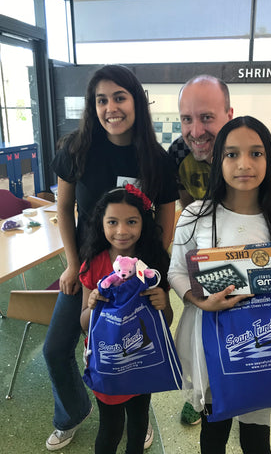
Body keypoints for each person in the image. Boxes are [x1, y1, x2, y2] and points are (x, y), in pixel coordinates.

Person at [43, 64, 178, 451]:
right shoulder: (75, 149)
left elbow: (165, 222)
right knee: (55, 349)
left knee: (135, 347)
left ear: (136, 102)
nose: (111, 108)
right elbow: (64, 207)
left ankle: (139, 417)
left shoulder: (155, 158)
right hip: (88, 270)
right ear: (92, 106)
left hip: (137, 273)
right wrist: (71, 263)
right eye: (101, 100)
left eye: (120, 97)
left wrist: (157, 274)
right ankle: (73, 412)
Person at [168, 116, 271, 454]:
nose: (244, 164)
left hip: (262, 345)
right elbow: (175, 271)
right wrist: (198, 300)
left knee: (255, 437)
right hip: (211, 342)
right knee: (214, 429)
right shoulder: (194, 218)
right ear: (218, 159)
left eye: (256, 153)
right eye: (232, 154)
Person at [79, 186, 173, 454]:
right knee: (109, 430)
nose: (122, 231)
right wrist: (92, 306)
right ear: (101, 224)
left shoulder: (153, 265)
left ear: (144, 222)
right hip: (106, 362)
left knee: (139, 424)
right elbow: (84, 322)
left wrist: (162, 304)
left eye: (131, 221)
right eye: (112, 222)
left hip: (142, 360)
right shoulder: (93, 264)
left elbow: (165, 321)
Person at [168, 74, 271, 215]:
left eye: (207, 118)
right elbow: (190, 212)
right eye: (187, 119)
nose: (196, 133)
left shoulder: (268, 157)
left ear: (229, 116)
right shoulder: (178, 153)